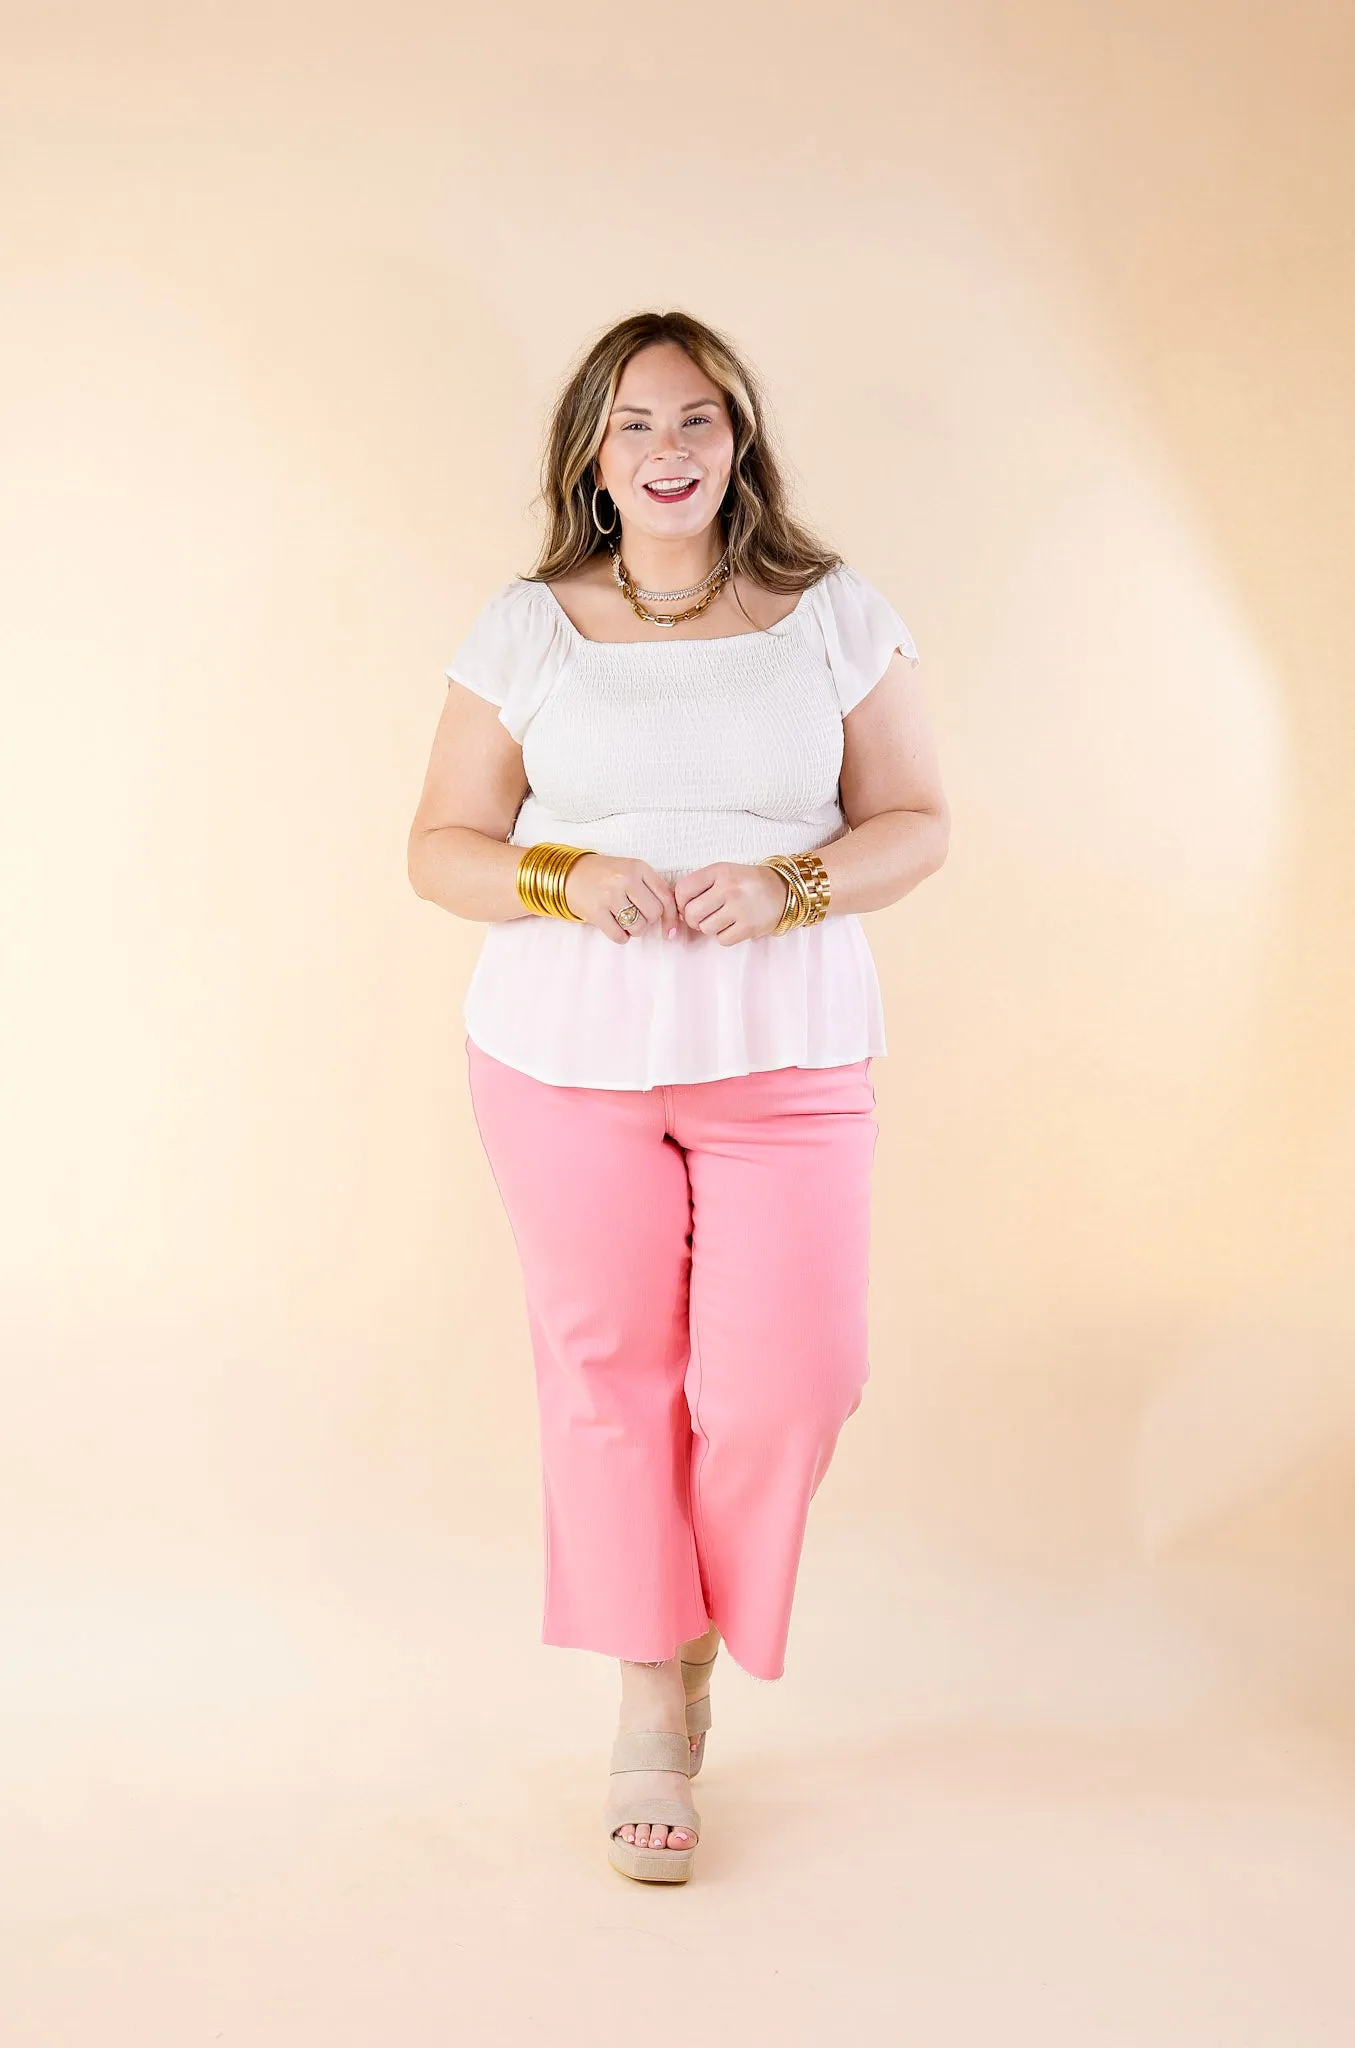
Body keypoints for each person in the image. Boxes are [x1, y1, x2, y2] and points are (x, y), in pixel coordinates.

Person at [407, 308, 950, 1885]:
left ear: (741, 443)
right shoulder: (526, 628)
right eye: (637, 424)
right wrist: (568, 875)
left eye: (699, 421)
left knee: (791, 1382)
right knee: (609, 1371)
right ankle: (655, 1688)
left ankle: (686, 1618)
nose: (669, 450)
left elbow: (915, 821)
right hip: (562, 1053)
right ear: (593, 450)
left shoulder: (830, 613)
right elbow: (439, 848)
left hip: (789, 1048)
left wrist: (789, 879)